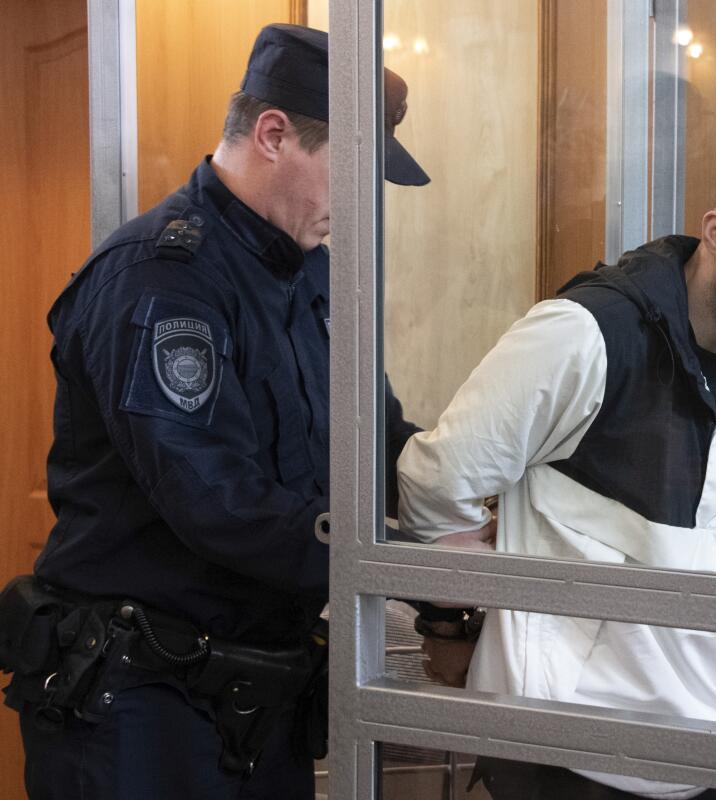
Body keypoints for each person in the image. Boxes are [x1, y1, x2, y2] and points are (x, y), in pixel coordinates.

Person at [0, 24, 428, 800]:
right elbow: (215, 499)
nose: (364, 200)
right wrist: (399, 557)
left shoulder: (315, 272)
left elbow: (377, 434)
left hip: (260, 698)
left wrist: (458, 491)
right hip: (141, 708)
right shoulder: (162, 279)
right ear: (273, 135)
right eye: (354, 168)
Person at [396, 155, 716, 799]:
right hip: (565, 744)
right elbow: (436, 480)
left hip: (713, 742)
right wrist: (455, 623)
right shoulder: (588, 333)